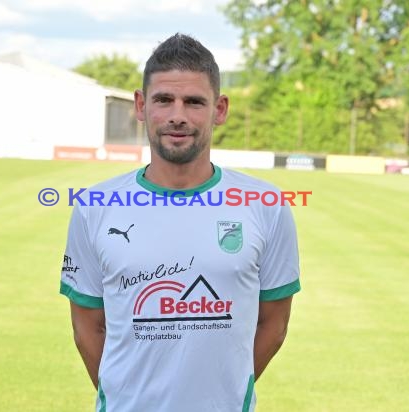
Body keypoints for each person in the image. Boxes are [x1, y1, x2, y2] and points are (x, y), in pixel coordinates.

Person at [60, 33, 301, 412]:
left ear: (219, 109)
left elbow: (274, 325)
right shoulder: (95, 206)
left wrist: (221, 395)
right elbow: (87, 328)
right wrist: (126, 394)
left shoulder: (264, 204)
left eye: (193, 102)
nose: (177, 115)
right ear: (141, 106)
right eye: (163, 100)